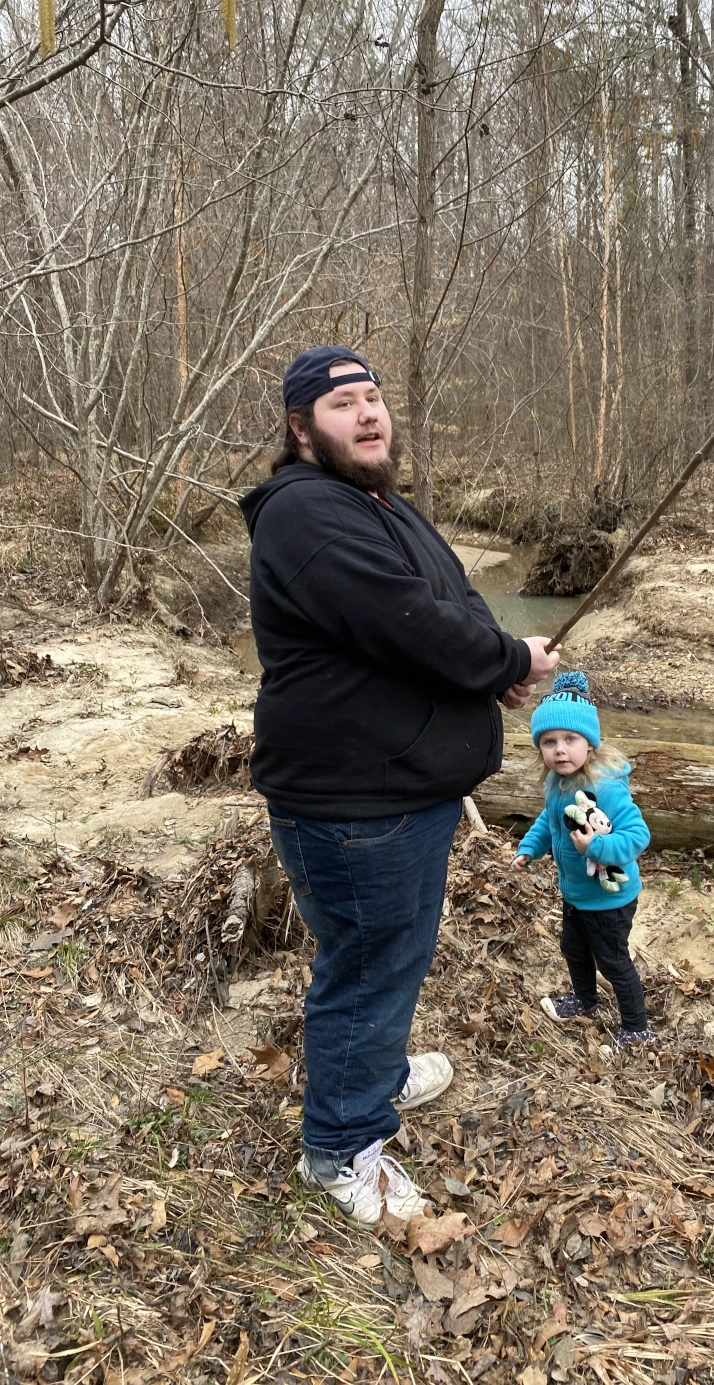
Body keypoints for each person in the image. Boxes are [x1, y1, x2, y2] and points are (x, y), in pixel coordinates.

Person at [239, 345, 561, 1224]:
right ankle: (341, 1146)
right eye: (344, 403)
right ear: (302, 429)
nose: (369, 413)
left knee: (391, 955)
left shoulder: (377, 502)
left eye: (374, 397)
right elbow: (406, 620)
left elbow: (447, 601)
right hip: (354, 805)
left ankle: (372, 1076)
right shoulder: (305, 513)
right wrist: (506, 658)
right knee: (370, 967)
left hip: (399, 791)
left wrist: (488, 668)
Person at [511, 672, 654, 1049]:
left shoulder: (605, 787)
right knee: (573, 949)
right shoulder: (556, 783)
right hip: (576, 893)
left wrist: (596, 847)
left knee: (612, 960)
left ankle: (637, 1027)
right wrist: (530, 847)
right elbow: (549, 820)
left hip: (610, 897)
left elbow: (638, 835)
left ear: (589, 744)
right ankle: (585, 1001)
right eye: (549, 741)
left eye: (570, 739)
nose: (560, 750)